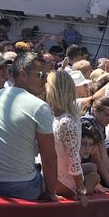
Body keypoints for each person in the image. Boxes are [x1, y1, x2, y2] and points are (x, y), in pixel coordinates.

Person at [0, 52, 63, 200]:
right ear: (22, 74)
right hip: (21, 186)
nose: (45, 81)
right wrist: (51, 193)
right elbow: (49, 158)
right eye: (41, 75)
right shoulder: (40, 107)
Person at [46, 70, 84, 199]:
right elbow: (73, 160)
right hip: (57, 178)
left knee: (92, 170)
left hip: (56, 178)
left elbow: (74, 160)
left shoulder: (62, 121)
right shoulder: (61, 119)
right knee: (93, 174)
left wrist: (80, 189)